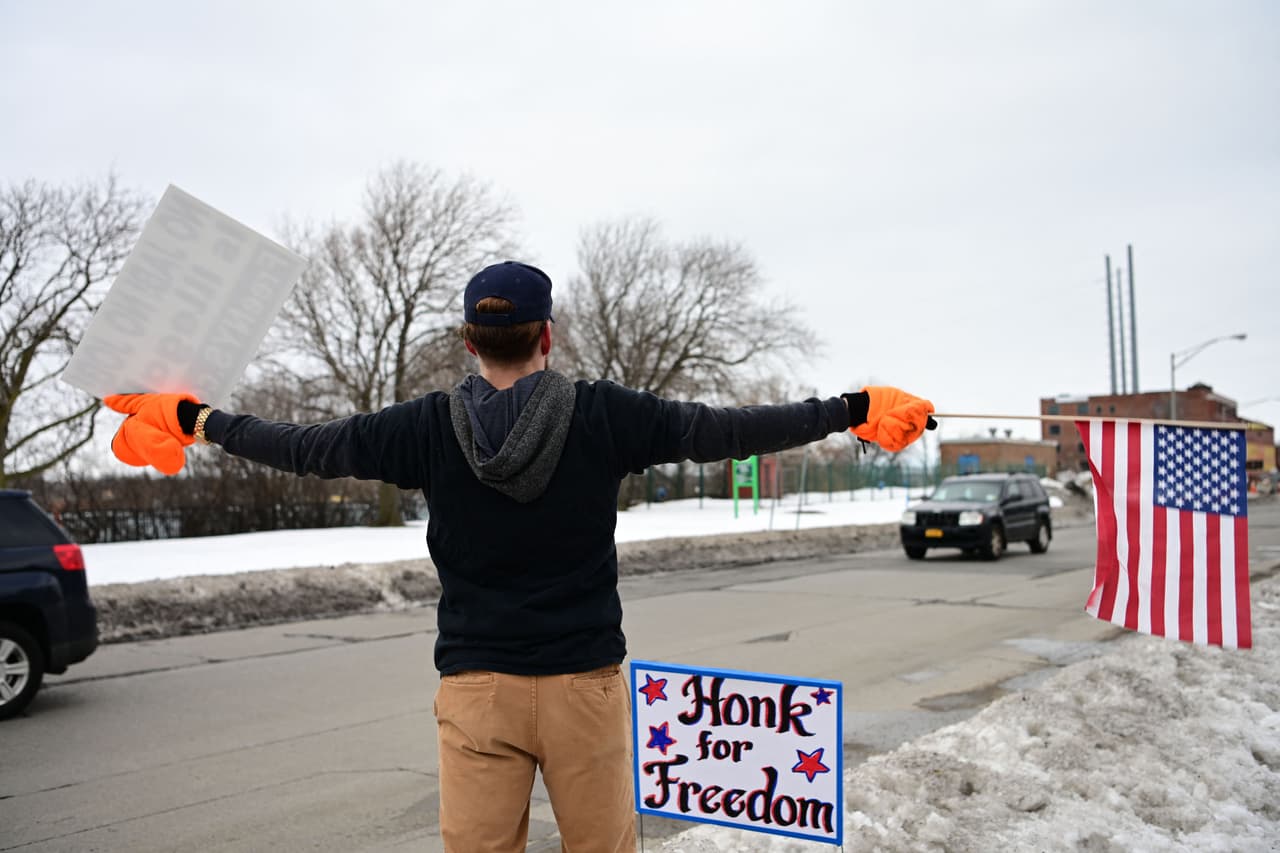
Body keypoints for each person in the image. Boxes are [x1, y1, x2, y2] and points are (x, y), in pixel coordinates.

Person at [104, 260, 936, 852]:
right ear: (548, 335)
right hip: (583, 685)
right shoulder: (608, 414)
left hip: (477, 693)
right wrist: (849, 406)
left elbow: (303, 446)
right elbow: (725, 429)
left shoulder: (422, 427)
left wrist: (197, 419)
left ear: (471, 341)